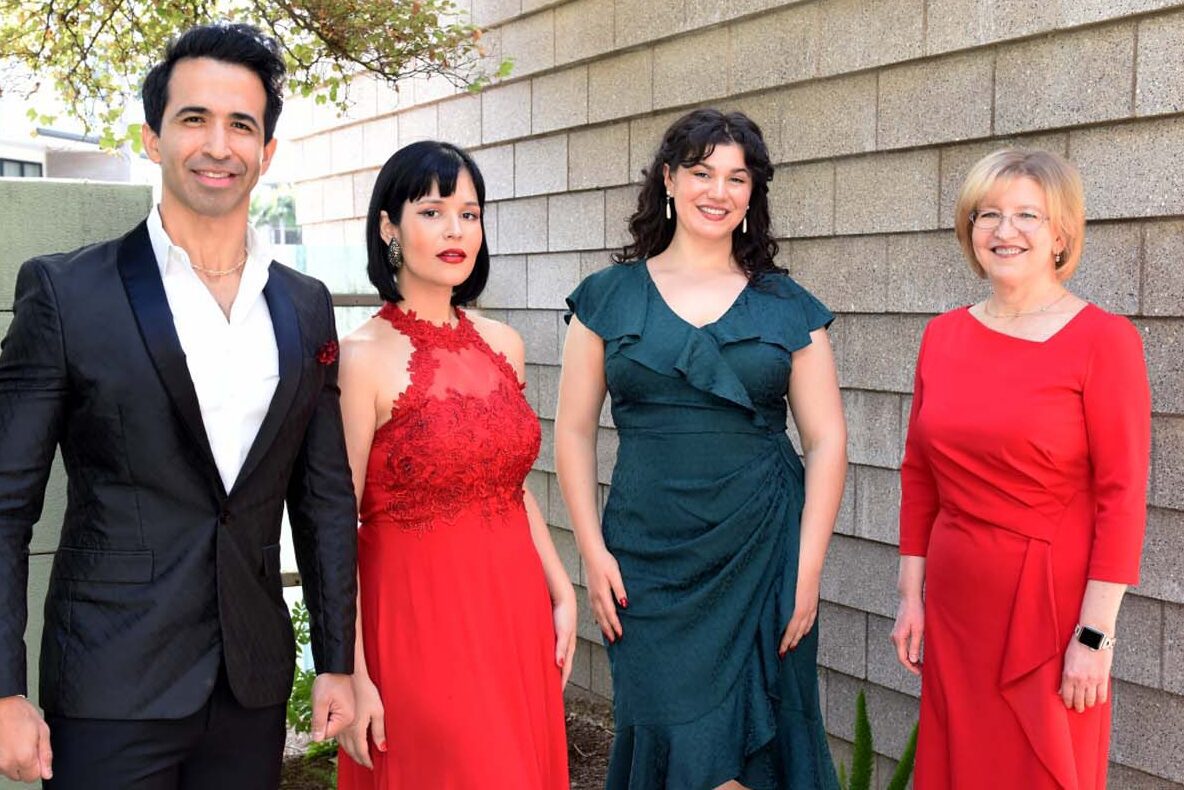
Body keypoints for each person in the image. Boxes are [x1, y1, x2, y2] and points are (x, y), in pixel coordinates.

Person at [0, 23, 358, 788]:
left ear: (267, 151)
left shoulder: (304, 307)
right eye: (194, 118)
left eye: (241, 125)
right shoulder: (66, 293)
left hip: (249, 686)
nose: (218, 145)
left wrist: (337, 661)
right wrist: (3, 690)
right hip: (109, 684)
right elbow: (5, 504)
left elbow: (324, 497)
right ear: (153, 137)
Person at [556, 109, 846, 790]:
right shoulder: (607, 298)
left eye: (736, 178)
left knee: (756, 756)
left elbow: (828, 438)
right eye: (701, 172)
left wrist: (807, 569)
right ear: (668, 179)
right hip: (648, 559)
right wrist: (592, 552)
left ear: (753, 193)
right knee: (671, 738)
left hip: (763, 548)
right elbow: (572, 431)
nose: (718, 191)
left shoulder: (788, 305)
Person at [891, 149, 1150, 790]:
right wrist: (909, 598)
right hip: (956, 605)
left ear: (1060, 234)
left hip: (1050, 612)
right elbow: (920, 475)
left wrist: (1095, 636)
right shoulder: (942, 336)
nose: (1005, 231)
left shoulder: (1104, 340)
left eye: (1027, 215)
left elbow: (1121, 497)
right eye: (989, 214)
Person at [334, 140, 574, 789]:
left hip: (514, 612)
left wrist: (560, 590)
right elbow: (335, 523)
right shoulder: (360, 358)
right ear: (388, 227)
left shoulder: (505, 344)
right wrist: (351, 670)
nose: (455, 231)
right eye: (433, 212)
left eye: (469, 214)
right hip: (418, 624)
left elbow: (509, 485)